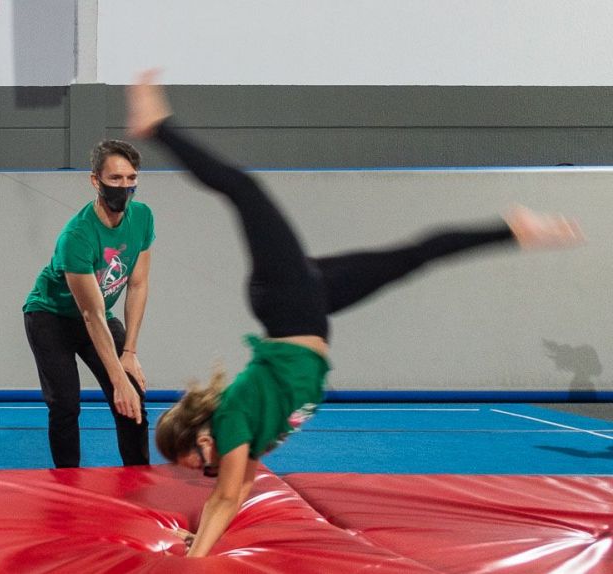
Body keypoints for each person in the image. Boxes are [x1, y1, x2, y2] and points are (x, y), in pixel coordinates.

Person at [126, 70, 584, 557]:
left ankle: (159, 127)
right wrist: (199, 540)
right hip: (309, 302)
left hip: (289, 307)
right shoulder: (243, 438)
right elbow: (234, 493)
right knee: (410, 258)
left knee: (246, 191)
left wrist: (194, 563)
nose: (198, 471)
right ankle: (511, 230)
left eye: (191, 462)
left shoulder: (233, 423)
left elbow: (222, 497)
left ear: (202, 436)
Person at [23, 139, 153, 468]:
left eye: (131, 178)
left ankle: (138, 478)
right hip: (50, 317)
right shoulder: (77, 237)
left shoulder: (142, 217)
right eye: (115, 179)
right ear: (95, 181)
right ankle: (69, 484)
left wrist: (130, 353)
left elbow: (137, 284)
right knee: (66, 404)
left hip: (95, 315)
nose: (124, 187)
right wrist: (117, 378)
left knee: (132, 396)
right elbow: (91, 314)